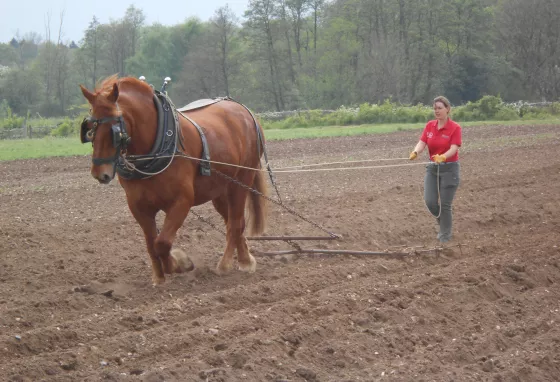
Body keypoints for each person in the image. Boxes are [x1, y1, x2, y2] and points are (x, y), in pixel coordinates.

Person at [409, 96, 462, 243]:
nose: (437, 111)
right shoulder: (430, 126)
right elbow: (422, 142)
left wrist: (443, 157)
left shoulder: (455, 128)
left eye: (439, 108)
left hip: (449, 169)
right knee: (430, 202)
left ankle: (445, 237)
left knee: (445, 205)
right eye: (435, 108)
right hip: (433, 168)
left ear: (447, 109)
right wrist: (415, 152)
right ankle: (444, 224)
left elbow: (454, 148)